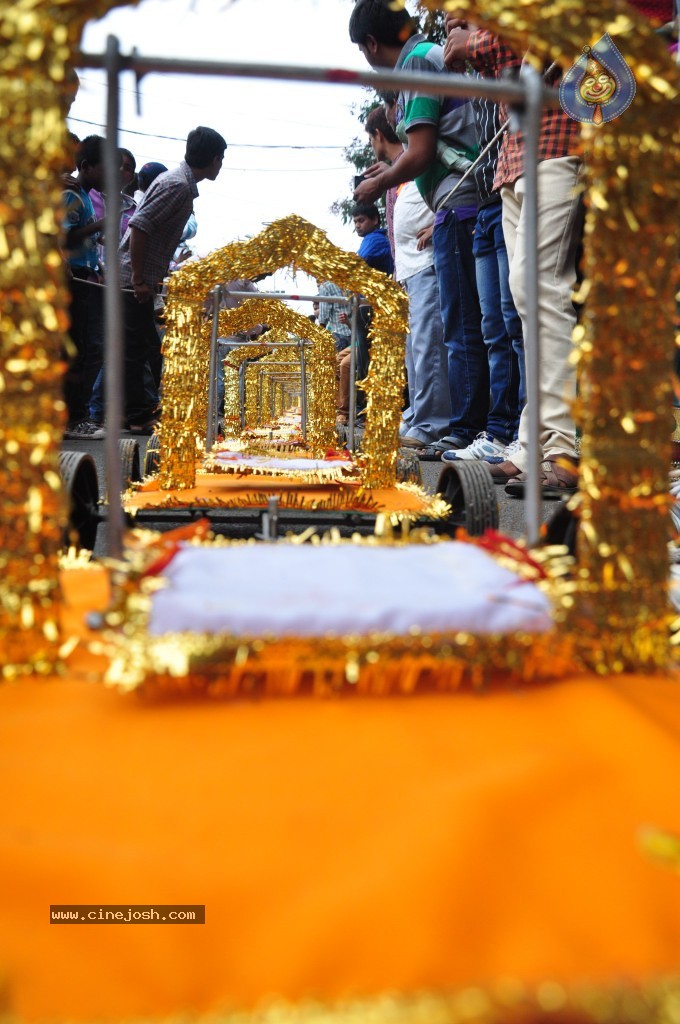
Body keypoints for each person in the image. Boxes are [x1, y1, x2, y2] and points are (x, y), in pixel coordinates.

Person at [444, 17, 583, 497]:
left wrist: (474, 41)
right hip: (518, 155)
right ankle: (531, 445)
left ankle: (563, 447)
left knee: (541, 293)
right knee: (527, 304)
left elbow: (560, 25)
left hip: (562, 140)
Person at [350, 0, 486, 462]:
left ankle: (466, 428)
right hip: (455, 201)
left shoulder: (414, 62)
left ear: (371, 43)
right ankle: (472, 426)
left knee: (464, 326)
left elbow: (423, 149)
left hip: (459, 201)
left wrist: (379, 181)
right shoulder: (427, 55)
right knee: (470, 324)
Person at [119, 125, 227, 433]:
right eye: (222, 159)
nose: (221, 165)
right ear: (214, 158)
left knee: (150, 349)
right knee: (136, 350)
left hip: (144, 279)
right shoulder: (177, 185)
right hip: (130, 279)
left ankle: (144, 411)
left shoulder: (180, 184)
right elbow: (140, 226)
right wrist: (139, 279)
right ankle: (138, 417)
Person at [365, 104, 451, 449]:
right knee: (414, 351)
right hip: (408, 269)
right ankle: (418, 415)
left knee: (429, 346)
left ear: (377, 136)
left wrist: (438, 222)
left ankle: (432, 423)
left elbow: (447, 190)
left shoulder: (420, 161)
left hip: (426, 263)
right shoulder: (399, 172)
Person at [61, 135, 106, 440]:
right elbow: (62, 239)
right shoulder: (72, 196)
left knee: (89, 349)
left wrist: (98, 265)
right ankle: (73, 418)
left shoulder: (86, 196)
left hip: (86, 277)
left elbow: (84, 240)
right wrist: (100, 226)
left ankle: (76, 414)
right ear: (87, 167)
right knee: (76, 351)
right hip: (72, 280)